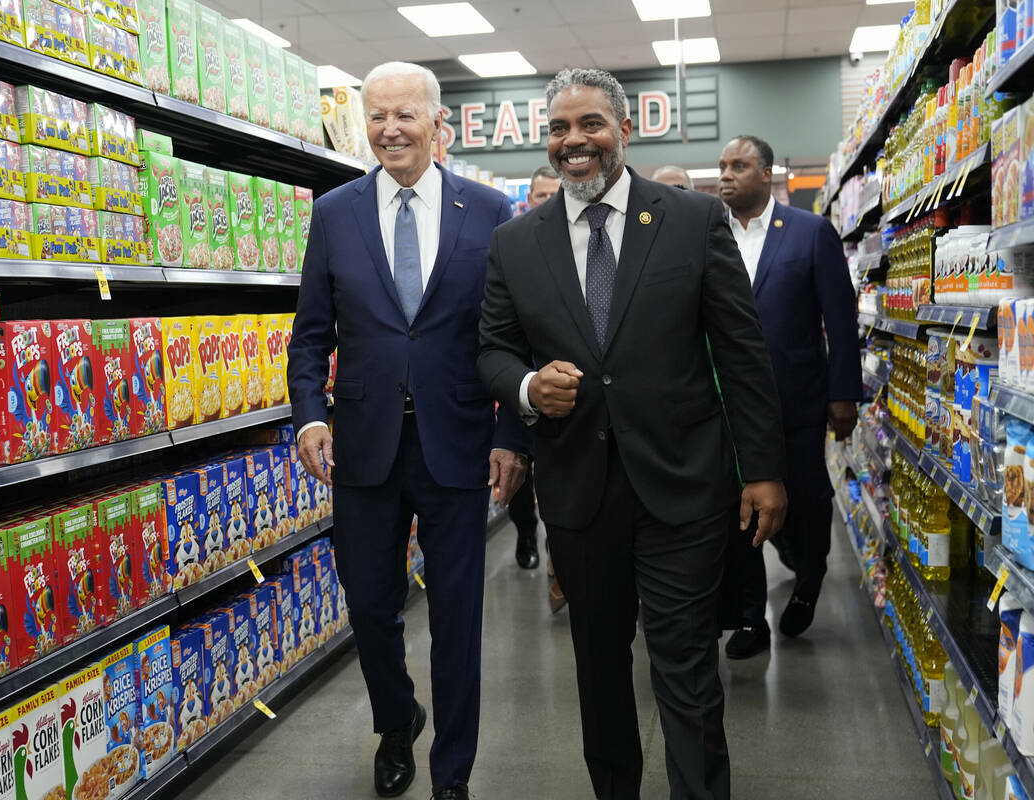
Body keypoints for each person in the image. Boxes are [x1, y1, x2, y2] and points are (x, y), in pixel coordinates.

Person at [477, 68, 788, 800]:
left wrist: (764, 469)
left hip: (683, 485)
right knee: (600, 670)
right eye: (558, 129)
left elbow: (741, 352)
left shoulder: (691, 220)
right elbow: (492, 348)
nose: (573, 142)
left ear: (625, 129)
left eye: (589, 124)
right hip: (579, 496)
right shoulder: (516, 242)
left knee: (684, 668)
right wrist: (527, 389)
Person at [287, 61, 529, 800]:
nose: (390, 129)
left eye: (405, 115)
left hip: (458, 443)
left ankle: (451, 774)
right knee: (367, 601)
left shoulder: (488, 212)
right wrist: (308, 417)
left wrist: (514, 437)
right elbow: (309, 338)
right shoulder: (335, 213)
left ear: (438, 126)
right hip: (363, 447)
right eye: (377, 115)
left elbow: (517, 334)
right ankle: (398, 720)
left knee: (458, 618)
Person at [716, 135, 860, 659]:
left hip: (797, 397)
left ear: (768, 173)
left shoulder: (810, 232)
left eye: (740, 165)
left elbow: (840, 320)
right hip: (731, 406)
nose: (727, 175)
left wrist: (844, 392)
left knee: (808, 498)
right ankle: (751, 620)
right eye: (723, 166)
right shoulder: (711, 234)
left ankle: (809, 576)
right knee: (742, 511)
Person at [509, 166, 558, 574]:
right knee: (521, 469)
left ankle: (560, 550)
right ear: (529, 200)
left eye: (553, 195)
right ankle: (526, 530)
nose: (547, 202)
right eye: (540, 196)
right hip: (518, 383)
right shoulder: (512, 244)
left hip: (567, 384)